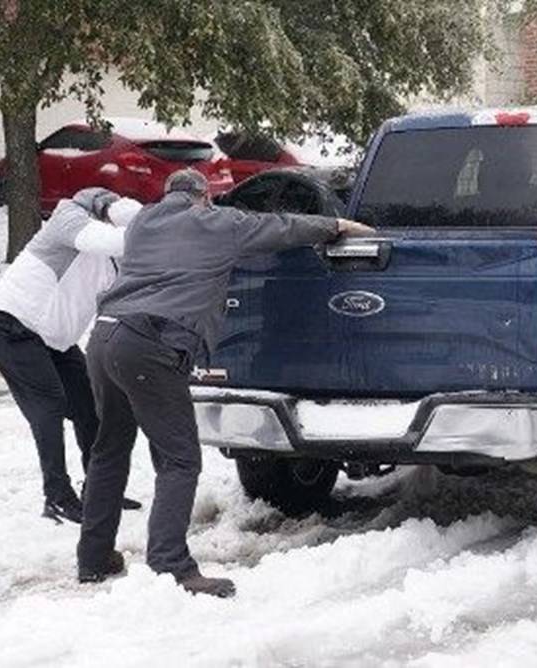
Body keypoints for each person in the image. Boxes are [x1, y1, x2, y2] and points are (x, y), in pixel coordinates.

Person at [77, 169, 375, 597]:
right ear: (203, 198)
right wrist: (336, 226)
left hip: (104, 337)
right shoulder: (216, 222)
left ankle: (93, 558)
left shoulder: (143, 221)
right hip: (152, 343)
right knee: (179, 460)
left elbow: (110, 207)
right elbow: (280, 227)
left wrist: (100, 197)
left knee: (109, 451)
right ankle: (171, 565)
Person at [0, 188, 144, 524]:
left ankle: (99, 488)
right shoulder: (68, 218)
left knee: (90, 409)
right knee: (49, 406)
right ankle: (56, 496)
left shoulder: (115, 256)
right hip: (10, 326)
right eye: (108, 206)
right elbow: (111, 241)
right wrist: (152, 228)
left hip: (54, 339)